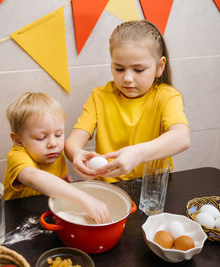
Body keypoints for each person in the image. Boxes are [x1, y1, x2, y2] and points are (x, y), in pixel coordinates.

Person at [65, 20, 190, 183]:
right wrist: (76, 154)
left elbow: (182, 138)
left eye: (138, 70)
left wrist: (137, 154)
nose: (127, 78)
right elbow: (73, 141)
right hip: (109, 188)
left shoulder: (167, 97)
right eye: (119, 69)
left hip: (151, 188)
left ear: (160, 66)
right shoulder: (100, 96)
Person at [3, 92, 110, 224]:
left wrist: (64, 184)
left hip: (46, 214)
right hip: (17, 220)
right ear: (17, 139)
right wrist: (84, 198)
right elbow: (33, 177)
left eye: (58, 134)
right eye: (41, 138)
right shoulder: (17, 155)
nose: (53, 144)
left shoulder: (53, 154)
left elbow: (54, 184)